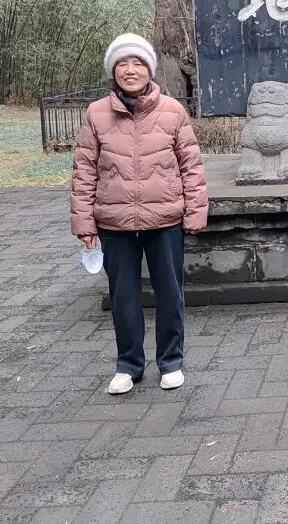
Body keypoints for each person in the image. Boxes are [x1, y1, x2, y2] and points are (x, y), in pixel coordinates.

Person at [70, 33, 208, 395]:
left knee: (170, 293)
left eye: (137, 63)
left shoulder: (172, 111)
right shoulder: (96, 113)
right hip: (113, 223)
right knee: (123, 297)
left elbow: (191, 166)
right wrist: (85, 224)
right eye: (122, 63)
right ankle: (128, 365)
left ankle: (171, 362)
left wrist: (195, 213)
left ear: (149, 68)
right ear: (113, 70)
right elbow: (84, 172)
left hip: (165, 220)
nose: (130, 70)